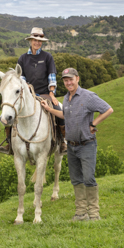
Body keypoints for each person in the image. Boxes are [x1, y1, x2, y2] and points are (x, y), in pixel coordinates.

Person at [40, 68, 113, 221]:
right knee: (76, 179)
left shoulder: (88, 96)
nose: (68, 82)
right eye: (65, 80)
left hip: (87, 144)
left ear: (77, 79)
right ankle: (81, 213)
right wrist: (49, 109)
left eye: (70, 79)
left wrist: (94, 124)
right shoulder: (66, 98)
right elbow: (64, 115)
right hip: (71, 146)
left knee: (88, 178)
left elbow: (108, 109)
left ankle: (94, 214)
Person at [0, 27, 66, 154]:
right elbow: (20, 79)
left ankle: (62, 140)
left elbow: (52, 77)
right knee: (9, 112)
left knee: (58, 110)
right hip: (27, 94)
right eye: (35, 40)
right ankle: (9, 142)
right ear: (30, 41)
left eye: (40, 40)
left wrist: (52, 94)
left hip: (44, 94)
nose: (37, 42)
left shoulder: (47, 57)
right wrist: (27, 92)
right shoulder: (22, 59)